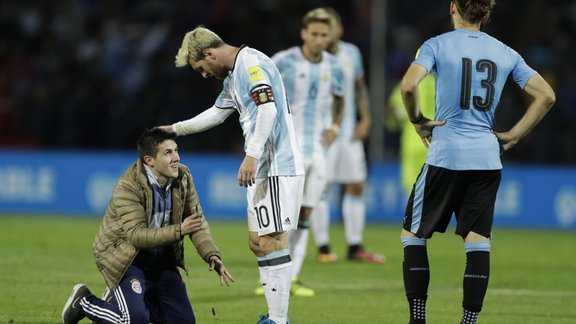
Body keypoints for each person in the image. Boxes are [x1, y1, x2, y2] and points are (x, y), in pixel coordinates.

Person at [399, 1, 555, 323]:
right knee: (477, 242)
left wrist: (417, 119)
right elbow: (547, 95)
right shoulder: (505, 52)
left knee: (413, 235)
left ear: (452, 7)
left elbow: (408, 85)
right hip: (486, 158)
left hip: (446, 154)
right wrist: (514, 135)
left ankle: (418, 319)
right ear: (486, 14)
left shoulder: (436, 45)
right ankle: (469, 322)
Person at [157, 26, 305, 324]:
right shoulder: (235, 75)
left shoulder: (251, 64)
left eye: (200, 67)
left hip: (276, 165)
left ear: (209, 53)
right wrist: (175, 129)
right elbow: (216, 113)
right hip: (264, 167)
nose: (203, 74)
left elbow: (268, 110)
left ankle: (278, 320)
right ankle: (275, 317)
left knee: (272, 241)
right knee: (257, 242)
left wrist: (252, 154)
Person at [61, 128, 234, 324]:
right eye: (168, 153)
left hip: (162, 258)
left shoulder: (183, 177)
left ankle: (123, 302)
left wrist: (211, 254)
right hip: (126, 256)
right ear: (149, 160)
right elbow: (136, 236)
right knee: (133, 321)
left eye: (176, 150)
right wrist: (180, 230)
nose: (176, 157)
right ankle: (84, 301)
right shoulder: (129, 185)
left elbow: (196, 222)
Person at [266, 7, 344, 297]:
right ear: (303, 34)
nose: (319, 39)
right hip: (288, 152)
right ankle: (273, 276)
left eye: (324, 34)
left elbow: (340, 98)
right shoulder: (283, 62)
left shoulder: (334, 66)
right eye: (314, 34)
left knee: (306, 214)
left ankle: (292, 278)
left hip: (318, 153)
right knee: (283, 216)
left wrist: (335, 125)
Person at [310, 7, 385, 264]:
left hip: (349, 133)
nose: (326, 34)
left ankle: (355, 246)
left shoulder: (351, 53)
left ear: (338, 29)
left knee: (356, 185)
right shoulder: (311, 57)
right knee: (320, 188)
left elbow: (360, 88)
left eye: (330, 27)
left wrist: (366, 118)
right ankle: (323, 246)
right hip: (323, 134)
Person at [386, 74, 435, 196]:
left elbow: (392, 110)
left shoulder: (410, 81)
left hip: (413, 145)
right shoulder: (444, 83)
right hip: (438, 145)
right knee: (437, 192)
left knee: (413, 193)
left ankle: (416, 215)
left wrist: (399, 113)